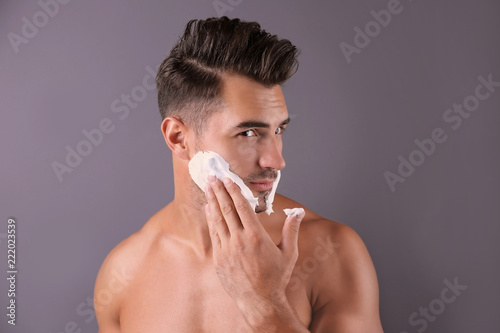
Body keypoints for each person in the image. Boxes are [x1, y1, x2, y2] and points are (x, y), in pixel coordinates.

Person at [94, 16, 384, 332]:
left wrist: (265, 306)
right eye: (248, 133)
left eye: (279, 129)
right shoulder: (123, 272)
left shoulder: (331, 251)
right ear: (179, 138)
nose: (277, 159)